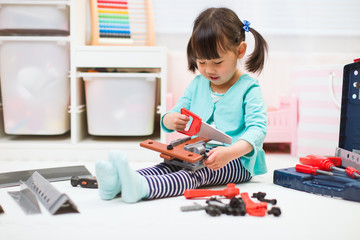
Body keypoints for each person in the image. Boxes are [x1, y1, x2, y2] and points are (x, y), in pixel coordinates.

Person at [95, 7, 268, 203]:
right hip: (196, 152)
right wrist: (171, 119)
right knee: (168, 165)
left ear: (240, 51)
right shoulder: (198, 84)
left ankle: (144, 188)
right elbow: (175, 112)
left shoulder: (249, 88)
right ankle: (116, 183)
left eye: (217, 62)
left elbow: (258, 129)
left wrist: (230, 152)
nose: (209, 70)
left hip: (236, 161)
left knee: (198, 174)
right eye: (201, 62)